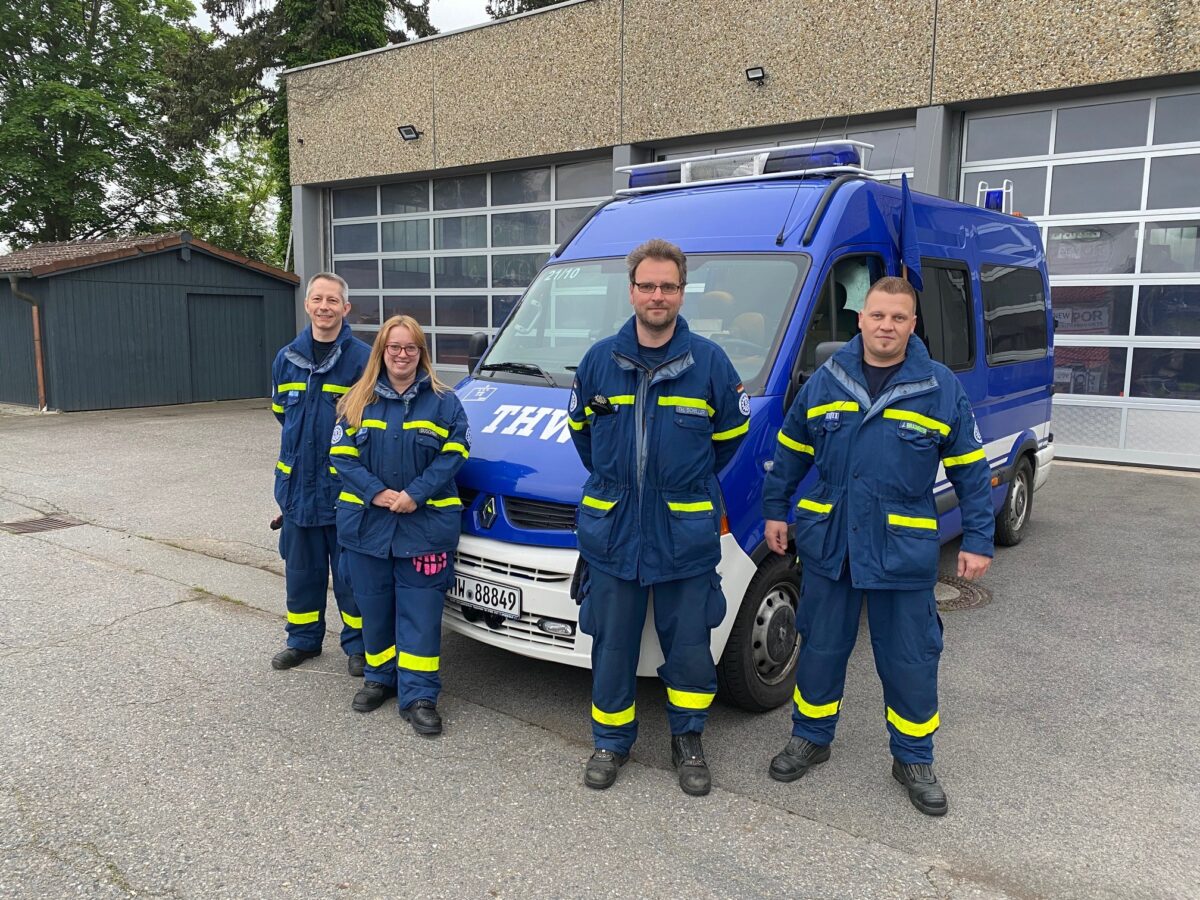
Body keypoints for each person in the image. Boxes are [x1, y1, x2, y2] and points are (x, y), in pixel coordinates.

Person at [761, 275, 993, 816]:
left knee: (910, 656)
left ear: (913, 325)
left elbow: (971, 472)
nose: (886, 326)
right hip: (831, 542)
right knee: (818, 646)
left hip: (900, 548)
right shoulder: (826, 380)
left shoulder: (939, 387)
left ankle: (913, 757)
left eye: (898, 318)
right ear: (860, 319)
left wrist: (979, 537)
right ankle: (810, 738)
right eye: (877, 315)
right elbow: (790, 451)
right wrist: (776, 510)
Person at [567, 238, 750, 796]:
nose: (657, 295)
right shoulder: (599, 360)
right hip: (614, 530)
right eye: (647, 285)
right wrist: (623, 485)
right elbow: (583, 437)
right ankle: (610, 741)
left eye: (668, 286)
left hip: (684, 533)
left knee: (690, 647)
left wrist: (675, 485)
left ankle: (688, 739)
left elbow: (729, 440)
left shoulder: (712, 364)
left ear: (682, 291)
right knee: (613, 644)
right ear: (631, 291)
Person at [329, 315, 469, 735]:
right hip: (368, 528)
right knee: (373, 609)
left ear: (421, 353)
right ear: (382, 353)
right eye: (394, 348)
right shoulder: (358, 399)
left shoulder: (445, 402)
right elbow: (341, 455)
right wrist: (376, 492)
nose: (402, 355)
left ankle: (420, 696)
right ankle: (380, 679)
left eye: (410, 348)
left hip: (423, 528)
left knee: (421, 616)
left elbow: (455, 453)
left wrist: (415, 494)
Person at [270, 273, 370, 676]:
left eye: (333, 300)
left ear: (345, 309)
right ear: (307, 305)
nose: (324, 306)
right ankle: (303, 640)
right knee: (301, 571)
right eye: (317, 299)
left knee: (351, 577)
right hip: (297, 489)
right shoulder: (286, 357)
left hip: (344, 490)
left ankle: (360, 646)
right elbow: (283, 414)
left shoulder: (363, 359)